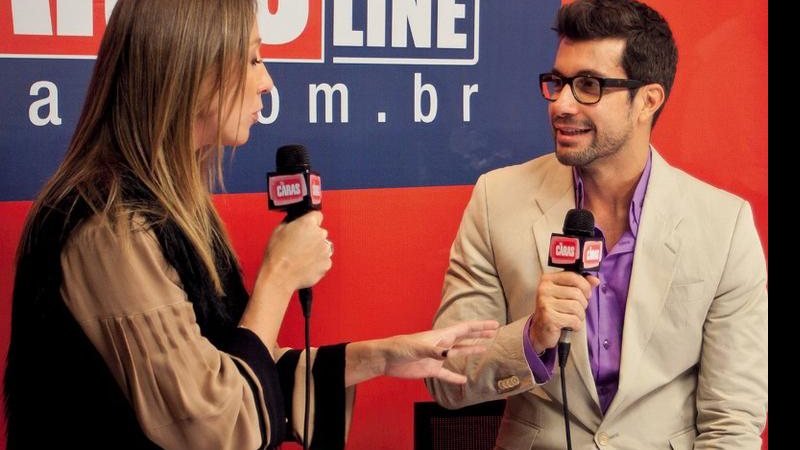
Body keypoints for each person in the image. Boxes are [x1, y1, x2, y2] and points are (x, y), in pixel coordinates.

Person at [2, 1, 499, 449]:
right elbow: (214, 427)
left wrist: (383, 357)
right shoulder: (111, 228)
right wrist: (278, 277)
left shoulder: (175, 209)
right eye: (253, 58)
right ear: (192, 71)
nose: (267, 82)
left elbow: (239, 368)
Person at [426, 0, 768, 448]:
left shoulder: (724, 225)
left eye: (588, 85)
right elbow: (447, 376)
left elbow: (732, 421)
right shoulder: (496, 200)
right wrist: (531, 337)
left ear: (647, 100)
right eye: (558, 82)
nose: (561, 105)